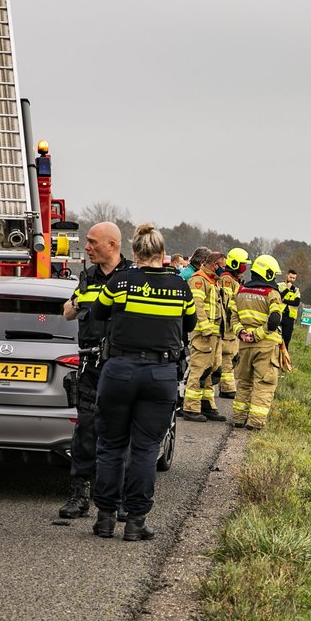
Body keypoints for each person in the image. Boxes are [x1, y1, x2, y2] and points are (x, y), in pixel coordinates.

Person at [90, 224, 196, 540]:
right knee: (146, 449)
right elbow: (190, 323)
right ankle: (136, 522)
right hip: (160, 374)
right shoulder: (180, 286)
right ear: (162, 254)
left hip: (119, 371)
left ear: (134, 253)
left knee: (111, 446)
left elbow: (98, 313)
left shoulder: (121, 281)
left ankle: (105, 518)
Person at [57, 222, 129, 519]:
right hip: (91, 366)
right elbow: (67, 312)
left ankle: (117, 498)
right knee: (85, 431)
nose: (86, 247)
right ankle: (79, 495)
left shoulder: (131, 277)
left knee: (121, 433)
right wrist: (78, 301)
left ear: (112, 245)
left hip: (122, 366)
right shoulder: (87, 277)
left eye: (92, 242)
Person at [230, 254, 285, 430]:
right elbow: (274, 320)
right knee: (264, 384)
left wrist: (242, 333)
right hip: (266, 346)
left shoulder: (240, 290)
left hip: (245, 345)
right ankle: (255, 422)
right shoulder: (272, 293)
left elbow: (233, 317)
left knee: (244, 382)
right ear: (267, 273)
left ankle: (238, 419)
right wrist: (257, 335)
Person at [181, 246, 227, 423]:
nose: (224, 269)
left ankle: (207, 405)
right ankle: (191, 408)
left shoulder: (213, 281)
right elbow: (197, 306)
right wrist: (206, 329)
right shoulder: (198, 280)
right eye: (222, 266)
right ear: (214, 265)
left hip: (215, 335)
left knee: (211, 370)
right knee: (199, 370)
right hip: (203, 334)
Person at [216, 247, 248, 408]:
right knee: (227, 353)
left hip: (230, 324)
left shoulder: (233, 279)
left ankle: (227, 387)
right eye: (243, 265)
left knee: (229, 354)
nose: (244, 268)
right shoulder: (227, 279)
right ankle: (226, 387)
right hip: (227, 324)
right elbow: (228, 302)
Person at [277, 269, 303, 347]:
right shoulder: (279, 286)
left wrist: (284, 301)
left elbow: (296, 302)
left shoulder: (296, 290)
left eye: (294, 278)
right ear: (286, 276)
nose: (291, 280)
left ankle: (284, 354)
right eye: (290, 277)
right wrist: (287, 289)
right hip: (279, 314)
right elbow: (278, 297)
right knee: (274, 337)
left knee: (286, 340)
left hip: (290, 317)